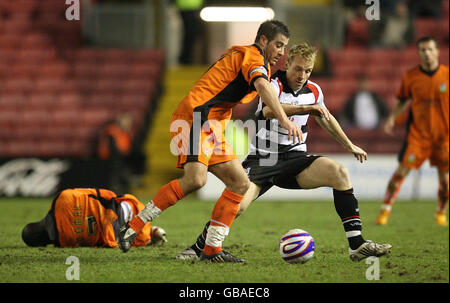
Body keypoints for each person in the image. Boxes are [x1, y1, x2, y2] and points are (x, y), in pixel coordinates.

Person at [176, 43, 392, 262]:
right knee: (237, 206)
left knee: (340, 173)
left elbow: (325, 118)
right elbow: (269, 111)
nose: (302, 75)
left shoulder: (314, 90)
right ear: (287, 63)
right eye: (298, 69)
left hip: (296, 159)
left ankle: (357, 245)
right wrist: (306, 109)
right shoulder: (272, 84)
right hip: (264, 158)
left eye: (307, 71)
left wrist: (349, 144)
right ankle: (198, 247)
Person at [116, 20, 303, 263]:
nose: (281, 51)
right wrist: (285, 120)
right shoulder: (252, 56)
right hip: (196, 116)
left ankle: (212, 249)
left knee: (240, 183)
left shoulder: (254, 60)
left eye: (284, 47)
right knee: (195, 180)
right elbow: (262, 86)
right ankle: (132, 225)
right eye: (278, 45)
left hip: (212, 124)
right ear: (264, 40)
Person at [375, 36, 449, 226]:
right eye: (423, 50)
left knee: (446, 181)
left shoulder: (447, 75)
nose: (427, 53)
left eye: (430, 49)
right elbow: (402, 101)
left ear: (437, 51)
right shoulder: (410, 77)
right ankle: (385, 210)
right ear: (418, 53)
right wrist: (392, 117)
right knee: (399, 173)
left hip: (444, 137)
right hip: (418, 136)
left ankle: (441, 212)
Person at [21, 188, 167, 248]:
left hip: (117, 236)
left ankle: (151, 234)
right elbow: (100, 193)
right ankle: (151, 231)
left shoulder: (64, 243)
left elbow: (98, 244)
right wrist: (115, 201)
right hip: (123, 210)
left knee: (123, 239)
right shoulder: (62, 198)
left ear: (42, 244)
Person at [97, 113, 134, 193]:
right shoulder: (112, 131)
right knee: (112, 178)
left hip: (119, 159)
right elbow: (113, 148)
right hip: (110, 159)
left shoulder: (125, 133)